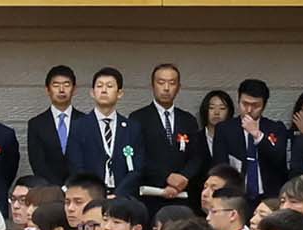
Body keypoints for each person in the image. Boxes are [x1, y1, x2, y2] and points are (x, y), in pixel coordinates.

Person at [130, 62, 205, 204]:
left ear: (178, 88)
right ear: (152, 86)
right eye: (161, 82)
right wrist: (166, 177)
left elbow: (196, 156)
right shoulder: (138, 118)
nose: (166, 88)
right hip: (150, 193)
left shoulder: (188, 119)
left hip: (182, 194)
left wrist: (184, 177)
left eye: (172, 83)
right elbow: (137, 157)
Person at [70, 67, 148, 193]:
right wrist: (96, 194)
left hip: (123, 197)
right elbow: (76, 166)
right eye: (99, 86)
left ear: (120, 93)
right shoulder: (78, 126)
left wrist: (119, 194)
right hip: (91, 195)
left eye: (109, 86)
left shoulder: (132, 128)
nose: (104, 90)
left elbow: (137, 168)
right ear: (92, 92)